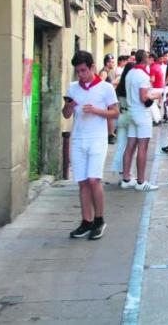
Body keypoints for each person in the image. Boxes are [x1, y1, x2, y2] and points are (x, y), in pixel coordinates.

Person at [63, 51, 119, 240]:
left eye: (84, 70)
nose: (81, 75)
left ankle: (99, 219)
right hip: (78, 138)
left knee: (94, 179)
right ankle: (86, 221)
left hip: (97, 138)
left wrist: (97, 111)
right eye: (78, 71)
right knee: (82, 181)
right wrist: (69, 107)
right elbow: (66, 115)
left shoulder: (105, 88)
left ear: (92, 67)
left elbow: (115, 113)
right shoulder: (72, 88)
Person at [122, 50, 160, 191]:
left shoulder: (130, 73)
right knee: (142, 147)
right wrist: (155, 96)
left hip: (131, 110)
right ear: (145, 60)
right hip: (142, 113)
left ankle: (126, 178)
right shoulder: (143, 75)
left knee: (130, 145)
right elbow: (144, 97)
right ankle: (141, 181)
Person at [110, 62, 134, 173]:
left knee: (121, 145)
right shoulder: (132, 85)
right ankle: (127, 171)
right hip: (130, 116)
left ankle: (119, 168)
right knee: (131, 146)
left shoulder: (119, 86)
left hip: (121, 116)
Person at [99, 54, 117, 144]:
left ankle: (111, 134)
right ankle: (110, 134)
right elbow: (101, 84)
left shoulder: (107, 71)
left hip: (108, 98)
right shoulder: (104, 72)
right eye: (112, 62)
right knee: (109, 117)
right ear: (107, 63)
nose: (114, 64)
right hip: (105, 99)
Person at [148, 52, 164, 125]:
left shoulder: (152, 68)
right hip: (160, 88)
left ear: (152, 59)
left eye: (148, 58)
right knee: (154, 104)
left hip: (156, 88)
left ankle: (156, 120)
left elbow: (152, 79)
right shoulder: (158, 66)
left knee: (151, 104)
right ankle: (158, 119)